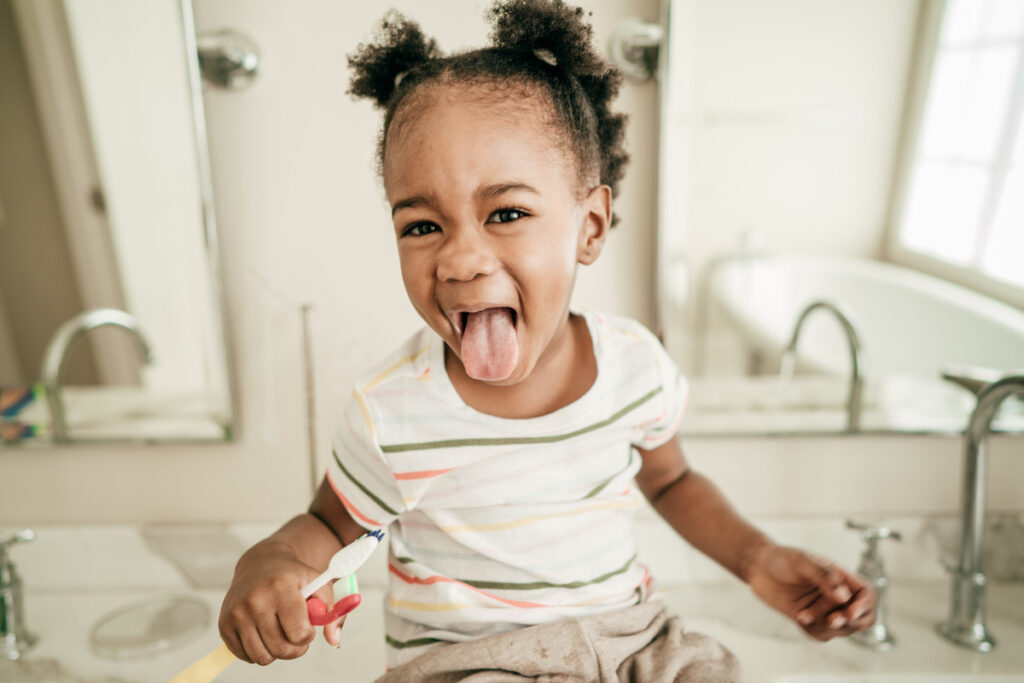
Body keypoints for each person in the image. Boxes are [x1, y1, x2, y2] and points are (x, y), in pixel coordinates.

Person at [219, 1, 876, 679]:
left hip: (631, 640)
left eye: (506, 213)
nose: (460, 259)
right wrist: (267, 563)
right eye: (422, 226)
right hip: (471, 660)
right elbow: (329, 525)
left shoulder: (635, 366)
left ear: (589, 226)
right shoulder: (391, 410)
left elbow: (673, 480)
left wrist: (759, 559)